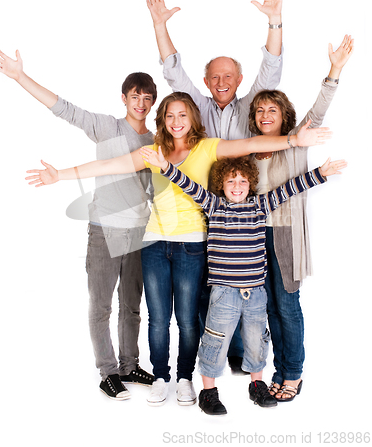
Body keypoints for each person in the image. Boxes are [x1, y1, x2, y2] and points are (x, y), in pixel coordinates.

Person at [24, 91, 331, 407]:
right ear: (162, 120)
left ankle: (185, 379)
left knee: (187, 319)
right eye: (170, 115)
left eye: (183, 114)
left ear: (193, 118)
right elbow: (109, 165)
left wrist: (294, 142)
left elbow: (251, 145)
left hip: (193, 245)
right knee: (158, 318)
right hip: (155, 242)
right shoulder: (152, 152)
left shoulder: (208, 147)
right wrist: (59, 175)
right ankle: (160, 377)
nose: (176, 121)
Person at [0, 49, 157, 400]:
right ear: (124, 98)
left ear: (153, 102)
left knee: (131, 304)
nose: (140, 103)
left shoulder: (155, 141)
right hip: (103, 229)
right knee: (101, 305)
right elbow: (63, 108)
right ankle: (108, 372)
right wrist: (20, 77)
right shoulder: (106, 126)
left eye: (147, 98)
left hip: (139, 232)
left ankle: (130, 365)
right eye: (135, 97)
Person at [139, 150, 346, 414]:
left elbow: (290, 188)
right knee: (215, 341)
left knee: (256, 341)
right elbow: (187, 184)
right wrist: (165, 166)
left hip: (255, 294)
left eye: (242, 181)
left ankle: (257, 386)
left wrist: (320, 173)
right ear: (221, 186)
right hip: (224, 293)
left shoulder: (260, 205)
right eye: (230, 181)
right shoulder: (215, 205)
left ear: (250, 184)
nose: (237, 186)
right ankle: (208, 392)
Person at [147, 0, 284, 372]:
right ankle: (212, 357)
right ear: (206, 82)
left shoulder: (249, 107)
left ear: (239, 79)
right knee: (208, 286)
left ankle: (241, 355)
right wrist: (159, 25)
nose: (221, 81)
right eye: (214, 77)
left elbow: (271, 71)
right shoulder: (198, 108)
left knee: (246, 284)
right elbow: (174, 74)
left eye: (229, 75)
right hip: (201, 210)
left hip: (246, 212)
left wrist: (274, 20)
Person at [247, 34, 354, 401]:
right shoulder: (250, 149)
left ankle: (292, 373)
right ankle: (279, 369)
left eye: (271, 110)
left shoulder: (297, 139)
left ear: (284, 116)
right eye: (259, 111)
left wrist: (334, 69)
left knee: (287, 304)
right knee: (267, 307)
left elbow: (319, 111)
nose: (265, 116)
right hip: (252, 236)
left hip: (285, 233)